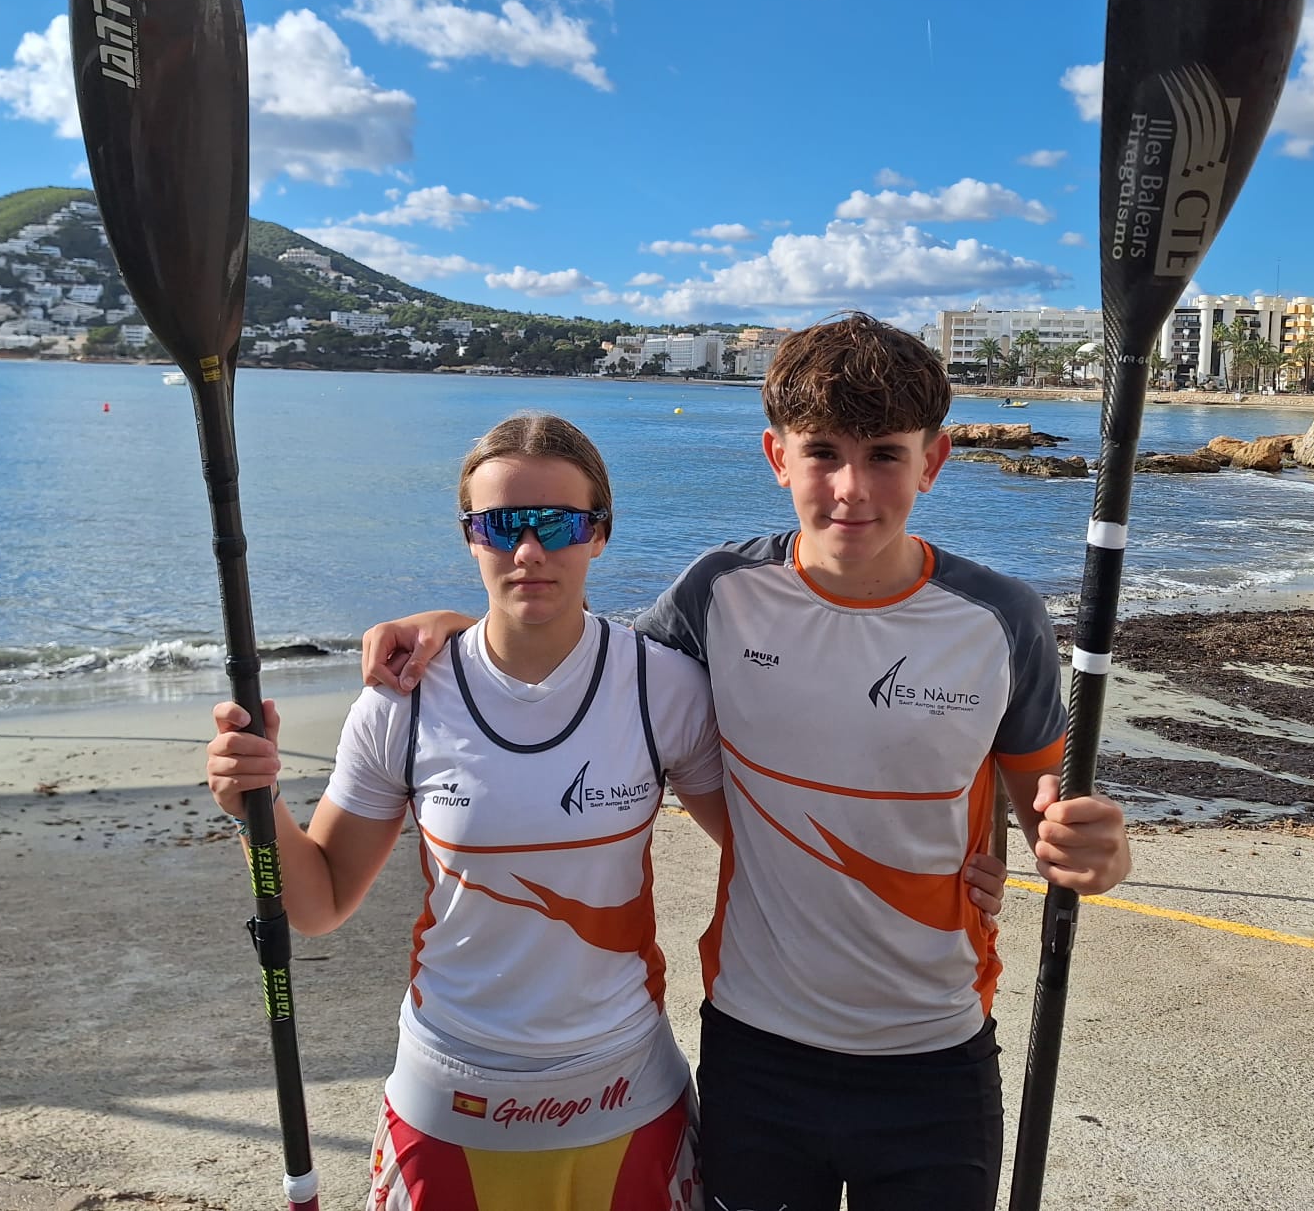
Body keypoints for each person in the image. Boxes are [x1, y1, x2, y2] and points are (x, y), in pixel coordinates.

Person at [364, 314, 1131, 1211]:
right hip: (757, 1051)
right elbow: (584, 661)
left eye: (885, 454)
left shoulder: (1000, 620)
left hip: (936, 1052)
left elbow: (1050, 809)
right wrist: (451, 629)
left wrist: (1097, 854)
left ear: (935, 461)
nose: (851, 488)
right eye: (822, 453)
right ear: (776, 456)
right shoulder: (717, 594)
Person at [205, 413, 1009, 1211]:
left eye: (556, 524)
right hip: (447, 1105)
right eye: (502, 525)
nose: (529, 551)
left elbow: (779, 834)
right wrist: (260, 807)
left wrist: (950, 863)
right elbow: (317, 904)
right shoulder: (401, 704)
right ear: (469, 536)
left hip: (625, 1104)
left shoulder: (664, 686)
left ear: (599, 534)